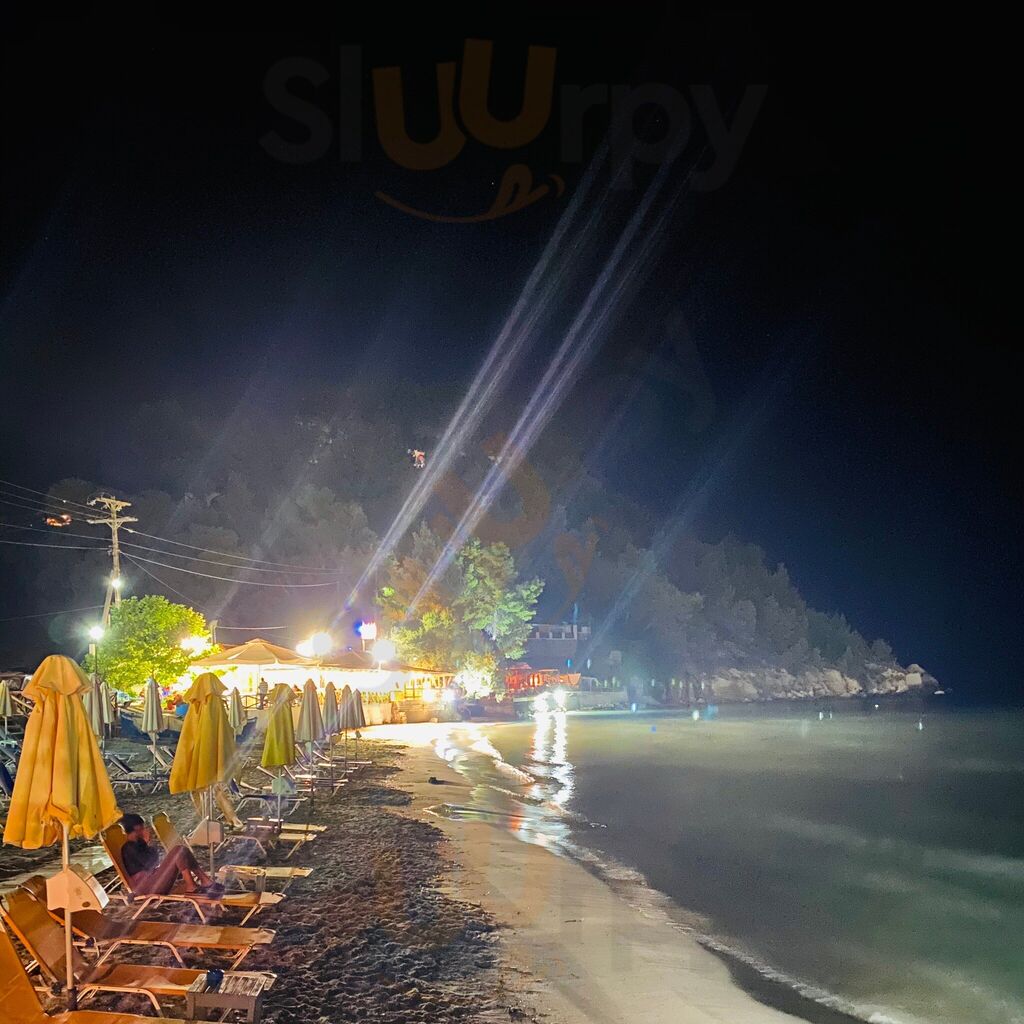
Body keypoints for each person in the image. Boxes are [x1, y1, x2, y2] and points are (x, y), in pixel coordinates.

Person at [119, 813, 221, 895]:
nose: (144, 828)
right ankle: (191, 886)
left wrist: (147, 843)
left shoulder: (138, 843)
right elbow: (150, 863)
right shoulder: (128, 848)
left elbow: (154, 861)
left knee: (182, 850)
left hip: (152, 879)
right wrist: (148, 842)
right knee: (179, 850)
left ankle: (204, 881)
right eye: (142, 826)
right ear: (136, 827)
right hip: (147, 887)